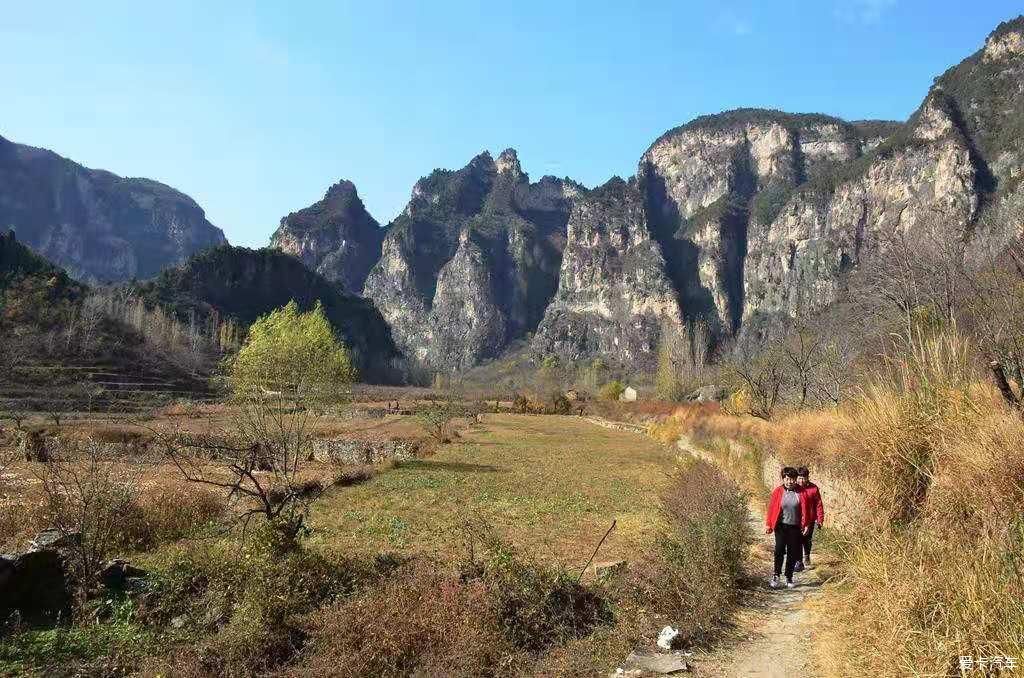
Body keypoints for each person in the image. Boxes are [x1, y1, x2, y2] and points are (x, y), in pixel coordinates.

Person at [764, 466, 811, 589]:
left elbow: (806, 510)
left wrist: (806, 524)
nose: (789, 482)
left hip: (795, 527)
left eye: (792, 479)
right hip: (780, 526)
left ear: (795, 479)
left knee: (792, 553)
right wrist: (769, 524)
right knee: (779, 550)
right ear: (783, 479)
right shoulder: (778, 492)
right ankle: (776, 575)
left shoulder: (801, 492)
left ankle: (789, 576)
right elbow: (772, 509)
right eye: (787, 479)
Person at [795, 466, 824, 570]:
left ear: (807, 478)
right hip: (796, 519)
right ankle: (799, 561)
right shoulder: (794, 488)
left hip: (810, 519)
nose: (801, 480)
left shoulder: (813, 489)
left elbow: (819, 505)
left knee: (807, 540)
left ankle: (806, 555)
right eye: (799, 478)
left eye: (803, 478)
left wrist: (820, 519)